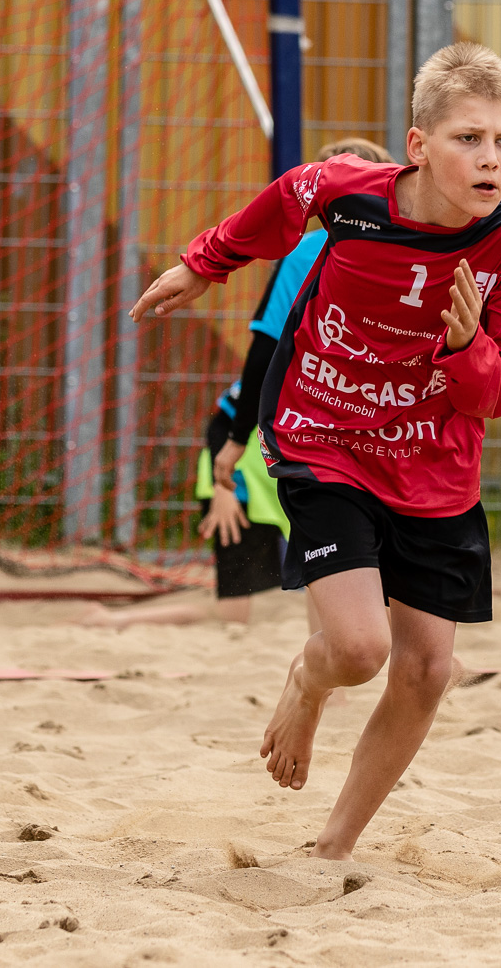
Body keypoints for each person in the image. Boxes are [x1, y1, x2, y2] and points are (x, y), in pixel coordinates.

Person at [129, 43, 501, 861]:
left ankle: (331, 851)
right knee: (359, 650)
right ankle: (306, 681)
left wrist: (465, 349)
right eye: (469, 138)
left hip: (435, 466)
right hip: (326, 437)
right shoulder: (352, 196)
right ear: (418, 146)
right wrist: (202, 264)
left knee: (427, 671)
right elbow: (290, 195)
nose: (491, 159)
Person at [82, 138, 396, 631]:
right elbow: (257, 364)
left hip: (321, 455)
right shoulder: (309, 252)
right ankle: (115, 621)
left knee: (345, 588)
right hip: (251, 468)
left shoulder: (401, 264)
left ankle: (368, 667)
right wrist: (227, 459)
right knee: (235, 613)